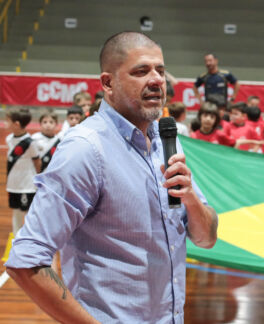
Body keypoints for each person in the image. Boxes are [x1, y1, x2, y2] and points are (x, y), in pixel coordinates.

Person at [6, 31, 218, 323]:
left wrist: (190, 197)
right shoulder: (86, 149)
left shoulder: (167, 140)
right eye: (141, 71)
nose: (157, 79)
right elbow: (25, 262)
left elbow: (207, 239)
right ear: (108, 83)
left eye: (161, 70)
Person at [5, 107, 41, 236]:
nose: (5, 124)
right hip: (13, 184)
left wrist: (38, 179)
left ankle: (28, 237)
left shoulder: (30, 143)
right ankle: (15, 237)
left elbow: (37, 161)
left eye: (7, 121)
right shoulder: (9, 139)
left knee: (27, 213)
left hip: (27, 185)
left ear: (16, 124)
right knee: (16, 212)